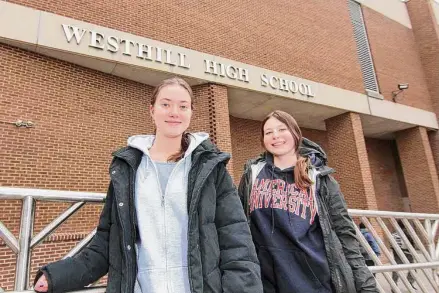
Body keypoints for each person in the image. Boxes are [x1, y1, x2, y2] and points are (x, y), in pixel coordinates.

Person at [33, 77, 263, 293]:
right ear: (152, 110)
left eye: (183, 106)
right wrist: (56, 276)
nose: (174, 112)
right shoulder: (127, 169)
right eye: (166, 104)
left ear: (191, 112)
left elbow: (237, 244)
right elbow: (106, 243)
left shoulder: (211, 169)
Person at [238, 110, 378, 293]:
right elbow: (238, 227)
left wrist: (366, 285)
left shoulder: (319, 177)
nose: (276, 136)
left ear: (296, 134)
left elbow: (344, 234)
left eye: (282, 129)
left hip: (317, 282)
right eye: (268, 132)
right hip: (268, 282)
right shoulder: (253, 174)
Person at [391, 220, 417, 291]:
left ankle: (394, 286)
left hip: (397, 253)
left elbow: (391, 245)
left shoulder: (393, 234)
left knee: (396, 269)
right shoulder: (406, 233)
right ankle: (410, 283)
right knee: (413, 268)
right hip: (406, 252)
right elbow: (412, 242)